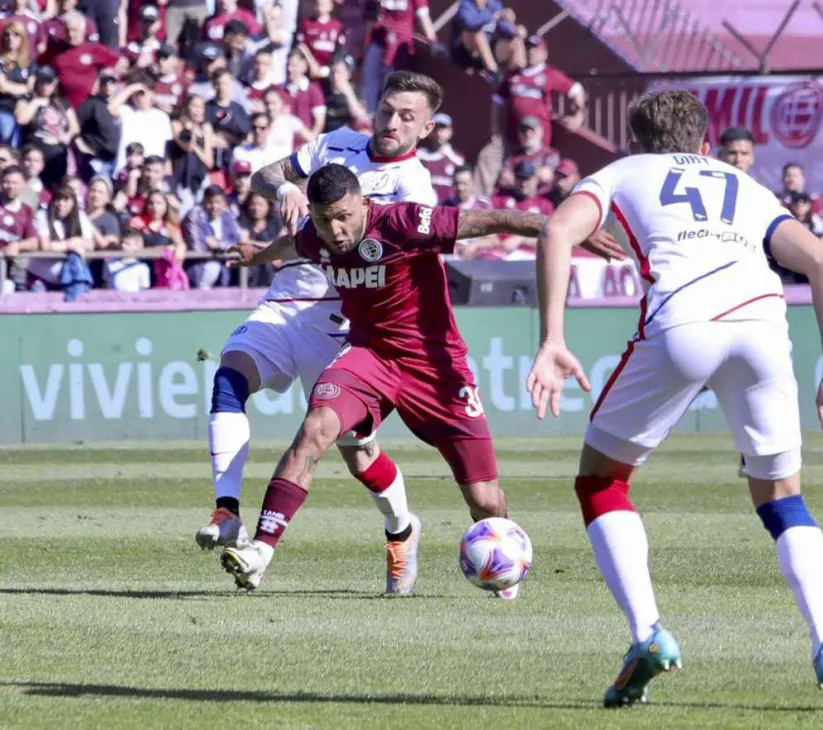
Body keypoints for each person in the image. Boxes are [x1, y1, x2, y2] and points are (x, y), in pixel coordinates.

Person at [524, 89, 823, 710]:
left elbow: (556, 229)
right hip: (763, 331)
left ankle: (648, 634)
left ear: (635, 143)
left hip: (683, 325)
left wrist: (553, 337)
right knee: (782, 497)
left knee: (602, 480)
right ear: (708, 147)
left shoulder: (625, 170)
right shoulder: (745, 185)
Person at [218, 164, 549, 597]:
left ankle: (505, 563)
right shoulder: (316, 237)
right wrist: (258, 255)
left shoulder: (402, 222)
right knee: (317, 427)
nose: (335, 231)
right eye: (323, 220)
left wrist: (560, 227)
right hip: (367, 356)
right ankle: (262, 548)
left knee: (485, 501)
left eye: (343, 217)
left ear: (362, 203)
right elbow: (295, 244)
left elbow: (487, 221)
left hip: (435, 366)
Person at [196, 71, 442, 594]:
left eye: (406, 116)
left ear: (426, 127)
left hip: (344, 317)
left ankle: (401, 529)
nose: (391, 122)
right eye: (386, 109)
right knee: (229, 375)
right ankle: (227, 510)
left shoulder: (413, 186)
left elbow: (398, 257)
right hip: (286, 297)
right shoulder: (336, 143)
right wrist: (286, 186)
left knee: (359, 453)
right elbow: (265, 173)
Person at [361, 0, 437, 113]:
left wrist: (433, 41)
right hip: (378, 40)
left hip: (399, 46)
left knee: (391, 84)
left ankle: (386, 115)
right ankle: (369, 116)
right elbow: (371, 16)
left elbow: (424, 17)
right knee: (370, 83)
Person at [15, 64, 77, 189]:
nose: (45, 86)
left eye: (49, 82)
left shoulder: (62, 102)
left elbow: (75, 127)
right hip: (35, 147)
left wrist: (65, 136)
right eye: (42, 82)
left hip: (57, 150)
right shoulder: (26, 100)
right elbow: (21, 119)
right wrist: (36, 102)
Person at [181, 183, 240, 288]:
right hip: (199, 269)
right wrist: (222, 247)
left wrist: (218, 245)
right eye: (210, 202)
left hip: (224, 272)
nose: (214, 206)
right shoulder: (195, 214)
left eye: (218, 202)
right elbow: (197, 246)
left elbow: (238, 242)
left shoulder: (227, 216)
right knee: (213, 267)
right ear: (203, 201)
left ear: (224, 203)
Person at [416, 112, 464, 203]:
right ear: (429, 132)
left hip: (449, 209)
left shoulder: (458, 159)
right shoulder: (420, 156)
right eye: (435, 129)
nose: (438, 132)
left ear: (450, 132)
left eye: (443, 128)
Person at [0, 20, 33, 146]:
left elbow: (33, 86)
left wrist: (22, 100)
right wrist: (25, 89)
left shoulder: (29, 63)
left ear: (22, 38)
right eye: (7, 35)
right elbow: (2, 87)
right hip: (3, 108)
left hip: (22, 111)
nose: (10, 38)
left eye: (15, 35)